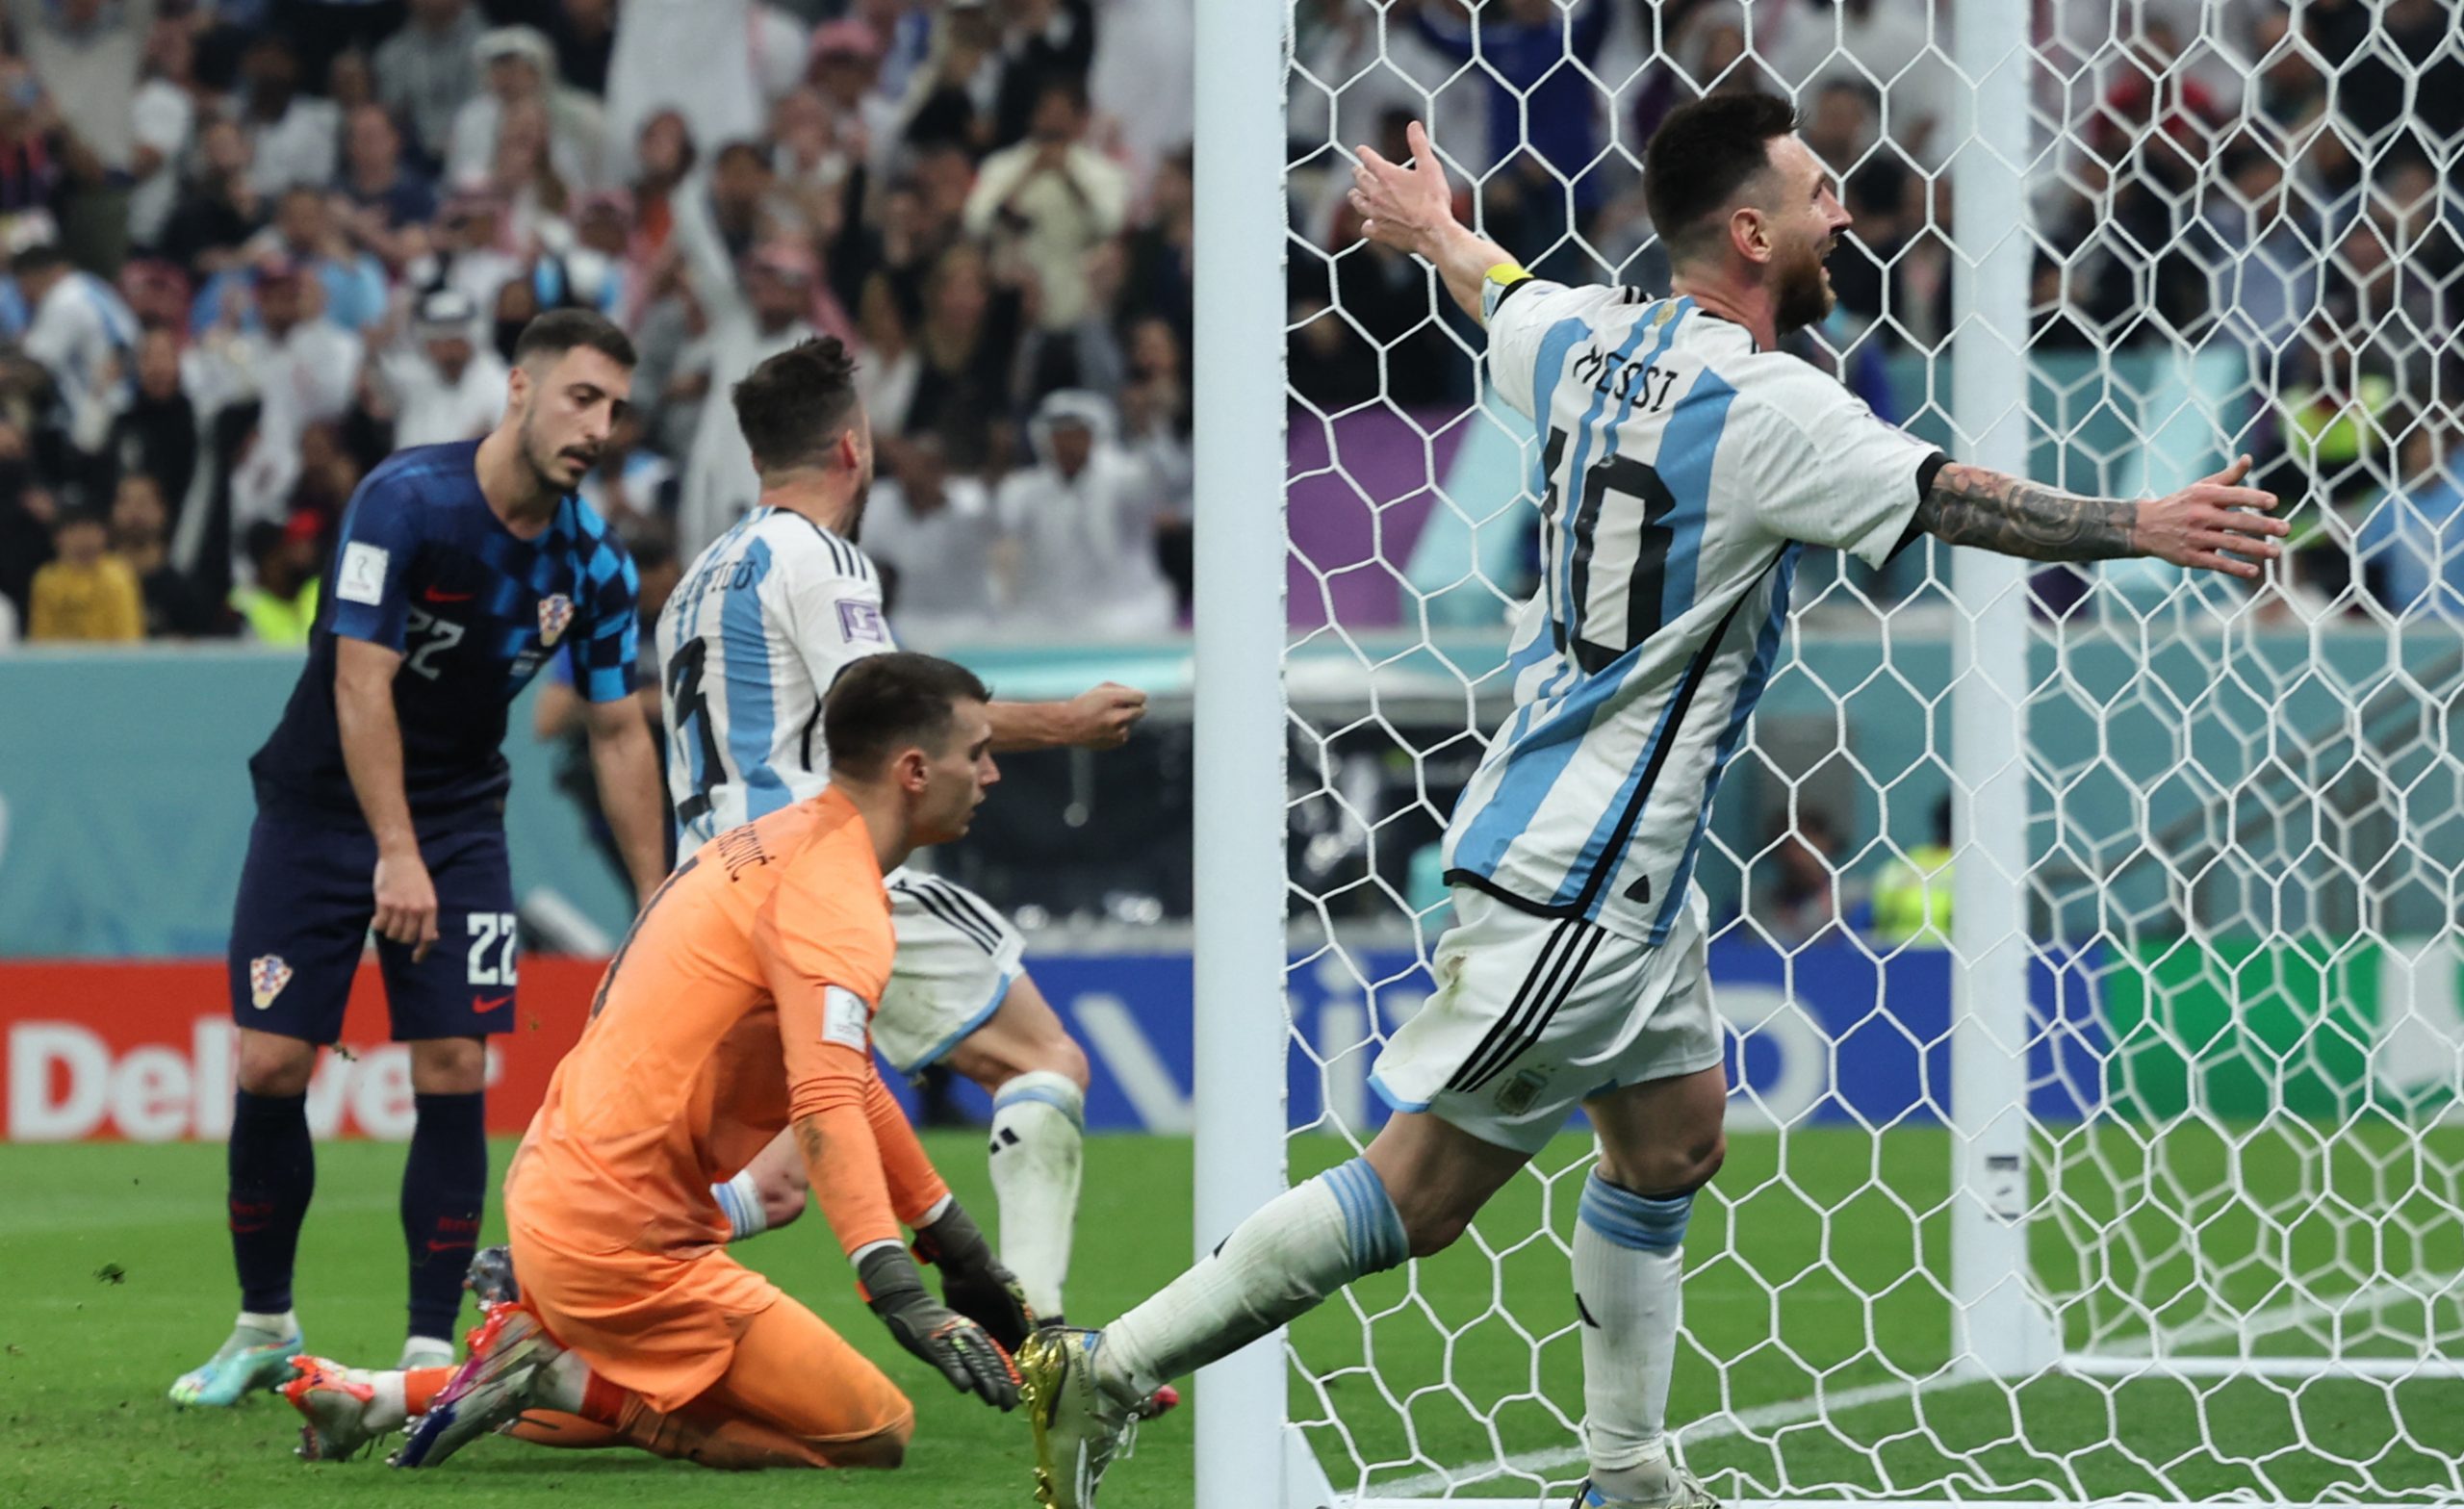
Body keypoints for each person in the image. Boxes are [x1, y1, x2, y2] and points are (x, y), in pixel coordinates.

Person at [1019, 95, 2289, 1509]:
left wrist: (1433, 223)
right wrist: (2139, 526)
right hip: (1584, 873)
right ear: (1751, 232)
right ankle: (1110, 1365)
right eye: (1817, 194)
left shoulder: (1581, 337)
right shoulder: (1777, 407)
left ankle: (1623, 1474)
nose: (1842, 215)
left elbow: (1494, 291)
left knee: (1674, 1136)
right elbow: (1954, 500)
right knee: (1420, 1196)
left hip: (1607, 857)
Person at [283, 652, 1033, 1471]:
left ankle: (384, 1395)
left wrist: (953, 1247)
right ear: (915, 770)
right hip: (625, 1246)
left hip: (554, 1200)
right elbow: (824, 1095)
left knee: (702, 1385)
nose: (991, 774)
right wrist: (894, 1285)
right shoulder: (835, 896)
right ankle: (568, 1379)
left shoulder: (774, 840)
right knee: (871, 1430)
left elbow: (841, 1074)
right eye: (978, 753)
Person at [168, 310, 672, 1408]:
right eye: (581, 397)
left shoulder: (591, 558)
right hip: (318, 810)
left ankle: (423, 1350)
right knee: (270, 1065)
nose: (598, 426)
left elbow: (619, 726)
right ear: (519, 391)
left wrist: (655, 900)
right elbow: (360, 680)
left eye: (615, 409)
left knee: (452, 1064)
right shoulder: (407, 502)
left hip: (458, 818)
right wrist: (392, 851)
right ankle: (263, 1323)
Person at [658, 338, 1147, 1336]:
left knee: (782, 1166)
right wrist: (1063, 722)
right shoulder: (819, 555)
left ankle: (553, 1277)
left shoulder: (695, 580)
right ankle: (1046, 1335)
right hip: (809, 872)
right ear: (851, 445)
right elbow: (894, 721)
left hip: (704, 897)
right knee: (1042, 1057)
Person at [28, 505, 141, 641]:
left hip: (111, 660)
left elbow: (129, 639)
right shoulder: (46, 580)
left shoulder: (119, 576)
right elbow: (40, 639)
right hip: (61, 660)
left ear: (105, 534)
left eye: (91, 529)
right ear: (58, 538)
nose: (84, 538)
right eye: (74, 531)